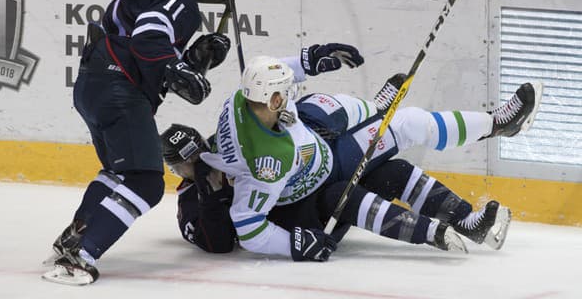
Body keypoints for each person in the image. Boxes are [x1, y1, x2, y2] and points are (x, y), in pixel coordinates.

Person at [178, 50, 541, 262]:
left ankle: (373, 111)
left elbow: (270, 75)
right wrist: (294, 246)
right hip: (316, 182)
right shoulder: (267, 164)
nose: (288, 93)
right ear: (273, 102)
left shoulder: (239, 101)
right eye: (284, 94)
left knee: (316, 106)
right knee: (408, 125)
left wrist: (309, 58)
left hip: (315, 150)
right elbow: (248, 226)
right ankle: (498, 124)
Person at [42, 0, 231, 285]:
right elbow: (149, 37)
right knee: (145, 182)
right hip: (118, 88)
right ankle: (79, 257)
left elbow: (148, 52)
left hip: (94, 86)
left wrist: (195, 59)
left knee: (119, 172)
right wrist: (178, 68)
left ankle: (74, 239)